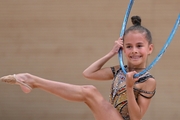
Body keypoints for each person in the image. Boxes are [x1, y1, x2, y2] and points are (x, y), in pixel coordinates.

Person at [0, 16, 156, 120]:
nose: (134, 50)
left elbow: (137, 117)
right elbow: (88, 73)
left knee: (90, 92)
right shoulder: (120, 69)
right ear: (123, 49)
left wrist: (129, 88)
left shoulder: (148, 81)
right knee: (89, 91)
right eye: (129, 46)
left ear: (150, 49)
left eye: (139, 46)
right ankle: (31, 81)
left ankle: (32, 80)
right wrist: (111, 52)